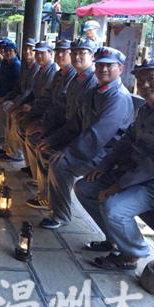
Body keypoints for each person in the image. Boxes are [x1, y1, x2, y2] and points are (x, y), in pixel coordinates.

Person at [74, 59, 154, 270]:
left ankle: (132, 254)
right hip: (132, 173)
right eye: (140, 80)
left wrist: (119, 186)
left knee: (114, 208)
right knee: (84, 187)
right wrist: (105, 165)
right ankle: (114, 240)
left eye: (152, 79)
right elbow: (127, 140)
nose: (145, 85)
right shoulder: (147, 109)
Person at [40, 47, 135, 230]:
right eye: (100, 65)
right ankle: (49, 200)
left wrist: (68, 152)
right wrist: (53, 140)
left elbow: (97, 134)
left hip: (108, 154)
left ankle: (60, 215)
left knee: (60, 164)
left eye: (109, 66)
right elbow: (76, 122)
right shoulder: (95, 91)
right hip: (93, 148)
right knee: (48, 151)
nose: (103, 69)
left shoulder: (117, 97)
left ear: (120, 68)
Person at [29, 39, 98, 209]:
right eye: (74, 53)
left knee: (56, 160)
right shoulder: (76, 78)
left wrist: (66, 148)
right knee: (40, 142)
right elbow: (62, 106)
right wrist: (46, 128)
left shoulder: (93, 82)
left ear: (92, 57)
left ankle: (58, 210)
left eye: (82, 53)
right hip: (69, 131)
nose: (76, 57)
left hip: (85, 142)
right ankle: (45, 191)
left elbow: (91, 130)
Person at [5, 41, 59, 162]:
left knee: (22, 121)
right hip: (37, 107)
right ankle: (16, 152)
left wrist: (31, 107)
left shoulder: (53, 71)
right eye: (37, 53)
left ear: (51, 54)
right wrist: (22, 104)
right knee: (15, 113)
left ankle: (20, 155)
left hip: (44, 112)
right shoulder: (41, 70)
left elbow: (48, 99)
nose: (39, 56)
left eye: (42, 53)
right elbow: (33, 92)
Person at [0, 38, 40, 151]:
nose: (27, 52)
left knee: (9, 110)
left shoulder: (36, 67)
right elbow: (17, 87)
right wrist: (5, 98)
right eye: (25, 49)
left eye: (31, 49)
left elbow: (29, 91)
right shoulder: (25, 66)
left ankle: (14, 150)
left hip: (29, 102)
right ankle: (4, 138)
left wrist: (16, 103)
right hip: (19, 98)